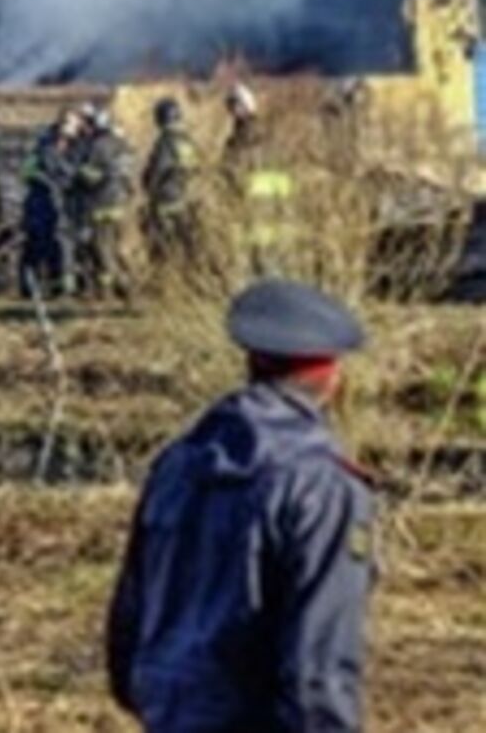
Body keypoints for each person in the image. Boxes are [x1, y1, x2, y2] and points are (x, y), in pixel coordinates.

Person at [108, 279, 376, 733]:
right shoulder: (322, 484)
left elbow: (130, 616)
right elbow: (320, 665)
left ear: (251, 361)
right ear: (333, 376)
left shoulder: (179, 462)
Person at [222, 83, 297, 276]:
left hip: (261, 209)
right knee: (261, 258)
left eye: (236, 105)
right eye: (231, 106)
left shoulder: (250, 139)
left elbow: (280, 174)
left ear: (246, 106)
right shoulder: (241, 139)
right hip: (261, 208)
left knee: (264, 259)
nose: (233, 111)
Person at [72, 104, 136, 300]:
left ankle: (112, 289)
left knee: (102, 248)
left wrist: (78, 174)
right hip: (121, 203)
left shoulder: (98, 146)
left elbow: (91, 176)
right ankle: (123, 283)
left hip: (102, 203)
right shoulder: (124, 145)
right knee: (118, 246)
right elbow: (129, 174)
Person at [19, 110, 85, 298]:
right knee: (38, 244)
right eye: (69, 123)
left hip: (66, 204)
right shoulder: (44, 146)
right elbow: (27, 171)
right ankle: (30, 285)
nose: (73, 128)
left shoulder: (80, 147)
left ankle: (62, 287)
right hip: (41, 203)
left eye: (75, 124)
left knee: (64, 245)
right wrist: (45, 180)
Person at [142, 98, 203, 271]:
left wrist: (148, 187)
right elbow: (197, 168)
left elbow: (157, 171)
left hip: (166, 199)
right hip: (186, 197)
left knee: (162, 244)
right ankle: (194, 273)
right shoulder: (187, 140)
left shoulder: (165, 141)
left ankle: (163, 277)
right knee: (188, 242)